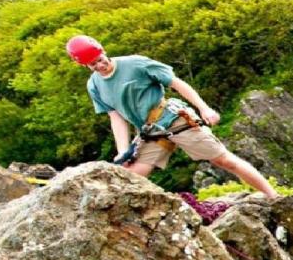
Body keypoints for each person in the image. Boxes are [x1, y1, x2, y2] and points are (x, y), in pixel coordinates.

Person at [66, 35, 279, 198]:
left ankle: (273, 197)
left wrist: (204, 108)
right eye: (94, 64)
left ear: (104, 51)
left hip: (172, 118)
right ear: (85, 66)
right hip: (150, 131)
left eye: (101, 59)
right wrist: (123, 151)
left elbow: (176, 83)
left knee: (223, 160)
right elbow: (116, 117)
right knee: (129, 175)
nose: (101, 65)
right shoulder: (94, 85)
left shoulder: (136, 64)